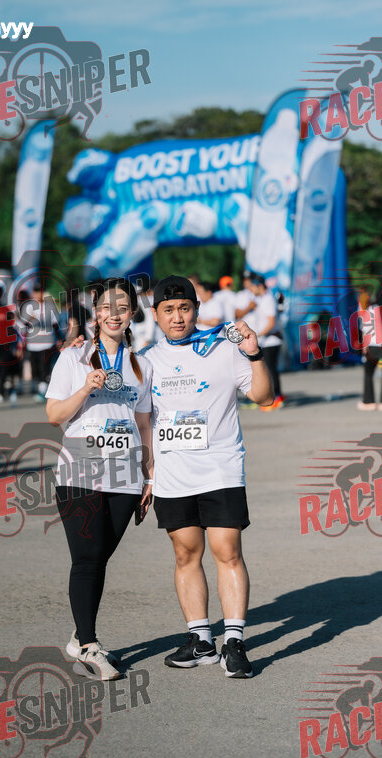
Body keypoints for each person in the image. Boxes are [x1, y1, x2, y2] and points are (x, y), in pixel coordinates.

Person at [141, 275, 273, 678]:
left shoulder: (224, 348)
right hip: (172, 475)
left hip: (220, 468)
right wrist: (147, 473)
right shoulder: (146, 360)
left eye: (184, 308)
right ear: (156, 314)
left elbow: (263, 396)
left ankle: (234, 642)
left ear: (196, 310)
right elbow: (142, 420)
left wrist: (254, 353)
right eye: (168, 310)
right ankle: (201, 640)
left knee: (227, 551)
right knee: (185, 554)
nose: (177, 317)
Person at [45, 277, 153, 681]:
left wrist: (149, 476)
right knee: (87, 557)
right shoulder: (73, 358)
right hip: (80, 470)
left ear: (132, 314)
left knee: (100, 556)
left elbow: (144, 423)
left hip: (125, 474)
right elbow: (54, 416)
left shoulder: (142, 364)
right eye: (107, 307)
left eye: (122, 307)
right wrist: (84, 390)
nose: (114, 314)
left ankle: (79, 635)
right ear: (96, 312)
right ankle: (89, 646)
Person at [249, 274, 284, 410]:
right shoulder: (260, 299)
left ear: (259, 286)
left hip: (271, 340)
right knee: (270, 369)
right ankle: (277, 396)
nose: (251, 290)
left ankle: (276, 398)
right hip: (266, 340)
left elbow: (271, 322)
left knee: (270, 370)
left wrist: (258, 335)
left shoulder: (268, 299)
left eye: (253, 287)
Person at [357, 282, 382, 411]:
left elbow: (365, 329)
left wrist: (364, 346)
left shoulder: (371, 309)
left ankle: (369, 401)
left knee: (368, 373)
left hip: (373, 345)